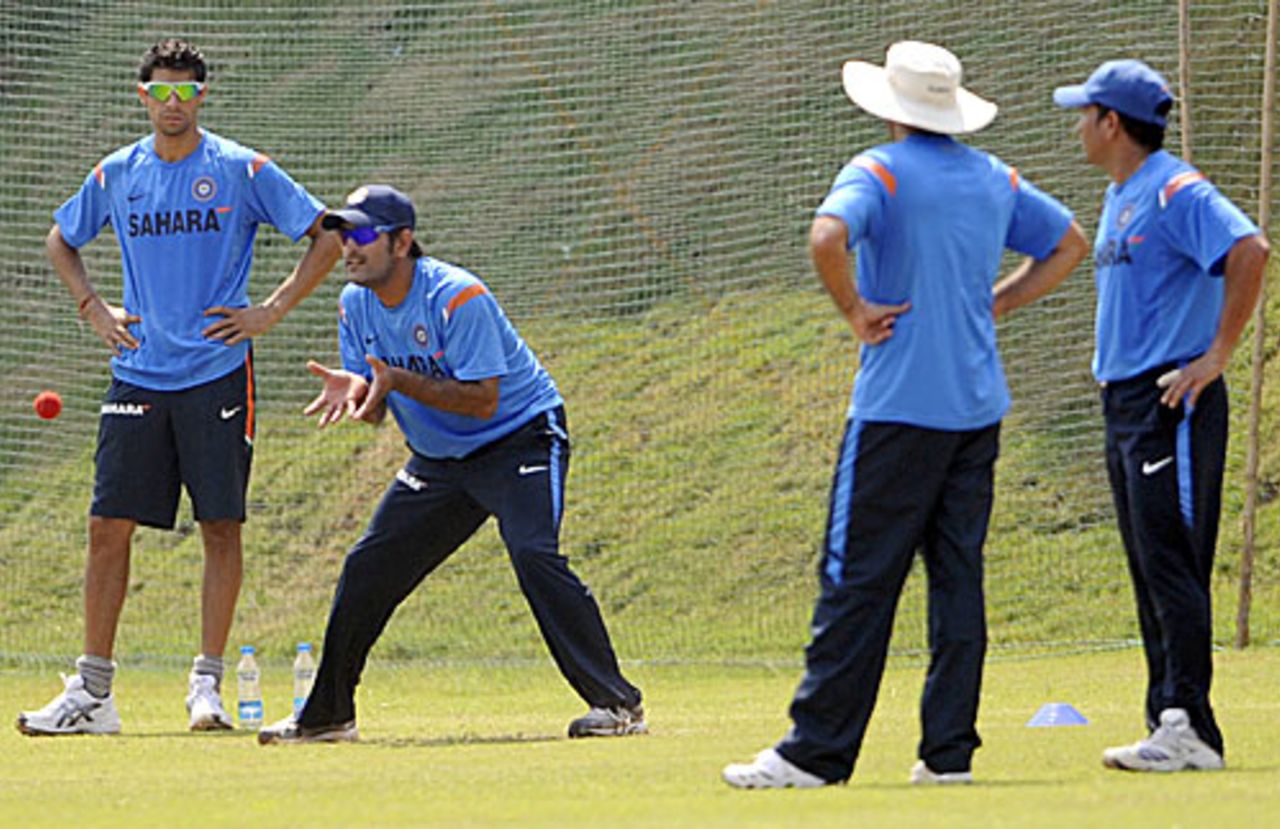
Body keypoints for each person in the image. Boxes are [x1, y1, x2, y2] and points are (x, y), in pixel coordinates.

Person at [722, 41, 1087, 788]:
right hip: (976, 410)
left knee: (855, 578)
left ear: (889, 107)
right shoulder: (993, 177)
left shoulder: (879, 170)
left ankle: (814, 752)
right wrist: (1001, 300)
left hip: (895, 412)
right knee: (958, 581)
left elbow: (826, 235)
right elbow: (1070, 241)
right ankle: (947, 754)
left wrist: (855, 309)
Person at [17, 39, 340, 736]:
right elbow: (59, 239)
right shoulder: (116, 174)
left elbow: (328, 234)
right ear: (143, 96)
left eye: (186, 93)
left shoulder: (239, 167)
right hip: (137, 370)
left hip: (218, 369)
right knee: (108, 526)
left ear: (202, 97)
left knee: (220, 524)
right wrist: (93, 307)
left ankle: (207, 686)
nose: (173, 105)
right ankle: (94, 693)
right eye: (161, 93)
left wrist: (273, 309)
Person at [256, 185, 644, 744]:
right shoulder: (354, 304)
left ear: (403, 241)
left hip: (520, 439)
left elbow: (483, 398)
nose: (349, 247)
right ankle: (328, 717)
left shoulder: (458, 297)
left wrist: (394, 378)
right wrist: (360, 392)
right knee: (367, 570)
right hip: (440, 461)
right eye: (343, 234)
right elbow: (376, 411)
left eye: (364, 234)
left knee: (534, 554)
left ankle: (617, 704)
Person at [1053, 60, 1269, 772]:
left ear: (1112, 123)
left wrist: (1218, 354)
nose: (1078, 124)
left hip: (1171, 400)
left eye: (1086, 112)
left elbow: (1249, 247)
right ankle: (1165, 719)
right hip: (1124, 403)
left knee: (1174, 562)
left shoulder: (1175, 188)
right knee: (1150, 562)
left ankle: (1190, 723)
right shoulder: (1122, 194)